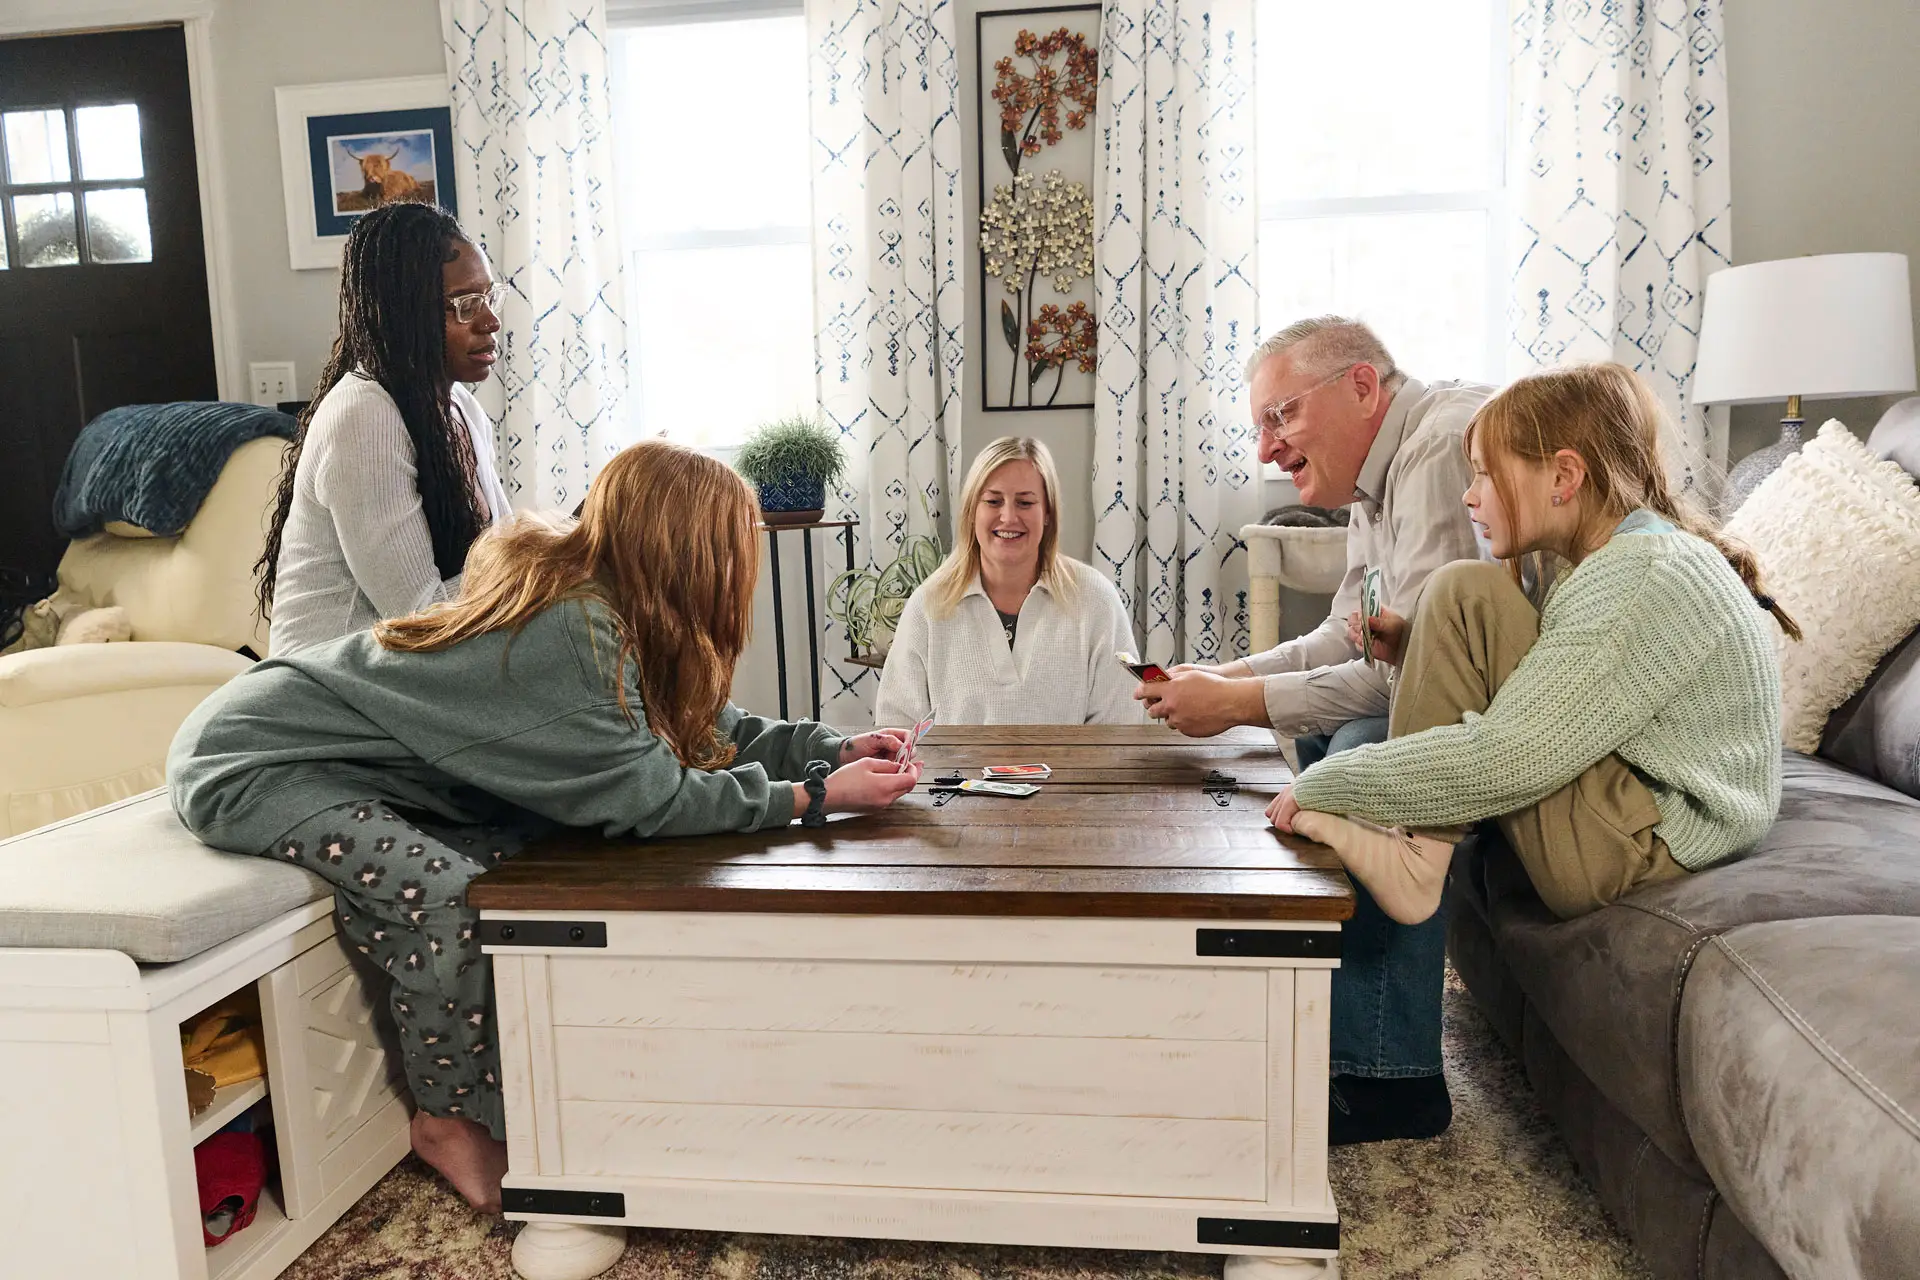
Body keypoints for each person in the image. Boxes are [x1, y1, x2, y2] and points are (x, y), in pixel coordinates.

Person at [171, 440, 921, 1213]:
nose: (738, 573)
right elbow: (652, 796)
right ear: (684, 549)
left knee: (536, 859)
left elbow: (699, 729)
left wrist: (828, 749)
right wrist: (812, 798)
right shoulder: (575, 627)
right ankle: (446, 1118)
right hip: (257, 760)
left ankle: (554, 1076)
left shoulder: (620, 612)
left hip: (355, 766)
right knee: (448, 895)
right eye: (731, 550)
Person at [1271, 362, 1794, 927]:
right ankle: (1418, 851)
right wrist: (1412, 647)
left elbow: (1510, 754)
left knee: (1462, 592)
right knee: (1465, 593)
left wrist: (1326, 786)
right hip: (1629, 817)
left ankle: (1414, 855)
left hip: (1639, 849)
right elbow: (1555, 679)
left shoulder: (1636, 574)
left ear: (1564, 477)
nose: (1470, 497)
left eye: (1484, 475)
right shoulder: (1611, 558)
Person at [1138, 316, 1492, 1144]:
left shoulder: (1439, 452)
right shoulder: (1375, 480)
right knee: (1327, 739)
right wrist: (1222, 676)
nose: (1267, 450)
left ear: (1362, 386)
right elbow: (1347, 633)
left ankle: (1389, 1080)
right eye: (1261, 426)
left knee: (1366, 755)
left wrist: (1231, 707)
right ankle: (1333, 1033)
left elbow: (1417, 671)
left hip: (1499, 705)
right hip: (1450, 687)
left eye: (1282, 417)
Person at [256, 202, 513, 656]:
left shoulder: (461, 409)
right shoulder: (364, 418)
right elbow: (419, 615)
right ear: (405, 313)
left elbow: (503, 552)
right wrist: (551, 563)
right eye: (466, 305)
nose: (491, 321)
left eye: (490, 298)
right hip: (324, 695)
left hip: (396, 674)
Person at [876, 436, 1145, 726]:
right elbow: (897, 729)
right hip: (949, 773)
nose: (1008, 517)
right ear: (971, 512)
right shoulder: (928, 605)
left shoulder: (1096, 600)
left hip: (1075, 773)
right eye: (993, 501)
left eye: (1025, 502)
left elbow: (1120, 725)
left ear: (1048, 514)